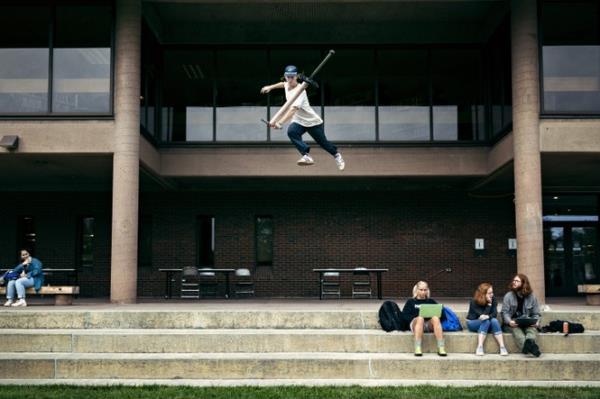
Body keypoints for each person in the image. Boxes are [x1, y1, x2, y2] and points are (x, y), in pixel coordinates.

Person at [260, 65, 345, 171]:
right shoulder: (287, 84)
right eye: (288, 76)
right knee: (292, 132)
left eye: (292, 77)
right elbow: (282, 84)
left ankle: (337, 155)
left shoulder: (301, 91)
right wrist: (270, 87)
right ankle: (306, 155)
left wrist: (280, 122)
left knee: (323, 143)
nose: (290, 79)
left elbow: (293, 110)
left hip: (311, 121)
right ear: (285, 76)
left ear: (296, 77)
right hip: (299, 120)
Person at [501, 273, 542, 357]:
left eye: (517, 281)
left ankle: (529, 345)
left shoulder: (532, 297)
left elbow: (536, 313)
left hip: (527, 321)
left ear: (523, 283)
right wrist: (509, 321)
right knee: (517, 331)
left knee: (532, 329)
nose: (514, 282)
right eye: (514, 280)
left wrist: (536, 321)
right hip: (513, 323)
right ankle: (532, 348)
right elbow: (505, 312)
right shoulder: (508, 296)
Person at [401, 280, 447, 356]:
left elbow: (442, 315)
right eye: (421, 290)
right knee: (420, 318)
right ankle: (417, 347)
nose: (423, 292)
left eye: (425, 290)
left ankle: (441, 347)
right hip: (416, 324)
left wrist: (434, 314)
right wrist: (416, 317)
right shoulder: (411, 301)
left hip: (428, 324)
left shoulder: (431, 301)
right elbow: (404, 316)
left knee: (435, 318)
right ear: (416, 290)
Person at [466, 283, 508, 356]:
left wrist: (488, 316)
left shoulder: (493, 299)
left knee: (494, 320)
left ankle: (502, 346)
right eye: (489, 293)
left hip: (487, 322)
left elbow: (494, 314)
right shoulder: (474, 301)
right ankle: (480, 346)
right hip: (473, 323)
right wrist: (489, 305)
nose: (492, 294)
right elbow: (482, 316)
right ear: (483, 294)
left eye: (492, 292)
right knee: (486, 321)